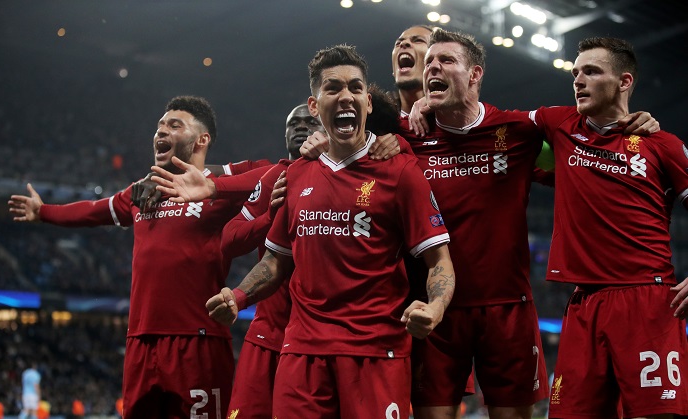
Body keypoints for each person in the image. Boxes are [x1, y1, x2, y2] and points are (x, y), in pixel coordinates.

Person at [394, 29, 659, 419]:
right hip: (437, 309)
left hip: (508, 309)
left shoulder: (519, 130)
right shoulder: (406, 138)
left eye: (446, 60)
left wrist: (633, 121)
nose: (432, 67)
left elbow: (591, 137)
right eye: (429, 62)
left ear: (474, 74)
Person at [204, 44, 455, 418]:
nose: (346, 96)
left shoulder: (401, 173)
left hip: (375, 353)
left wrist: (435, 307)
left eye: (355, 88)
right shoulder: (297, 175)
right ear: (314, 104)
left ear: (368, 103)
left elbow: (440, 262)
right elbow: (275, 262)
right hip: (302, 354)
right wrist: (237, 298)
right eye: (333, 88)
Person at [8, 96, 253, 418]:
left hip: (196, 338)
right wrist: (45, 212)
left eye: (174, 125)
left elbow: (273, 171)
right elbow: (94, 211)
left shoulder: (220, 185)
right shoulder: (144, 192)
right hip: (140, 340)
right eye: (159, 126)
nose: (161, 132)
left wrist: (213, 181)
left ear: (202, 139)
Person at [531, 37, 688, 418]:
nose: (578, 80)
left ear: (624, 82)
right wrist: (421, 107)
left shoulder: (661, 144)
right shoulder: (560, 124)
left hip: (646, 299)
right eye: (575, 72)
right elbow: (482, 123)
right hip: (584, 303)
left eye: (591, 71)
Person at [218, 103, 324, 418]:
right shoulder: (274, 176)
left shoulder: (347, 175)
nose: (301, 126)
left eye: (310, 121)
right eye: (293, 123)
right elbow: (229, 240)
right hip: (268, 333)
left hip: (319, 337)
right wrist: (270, 218)